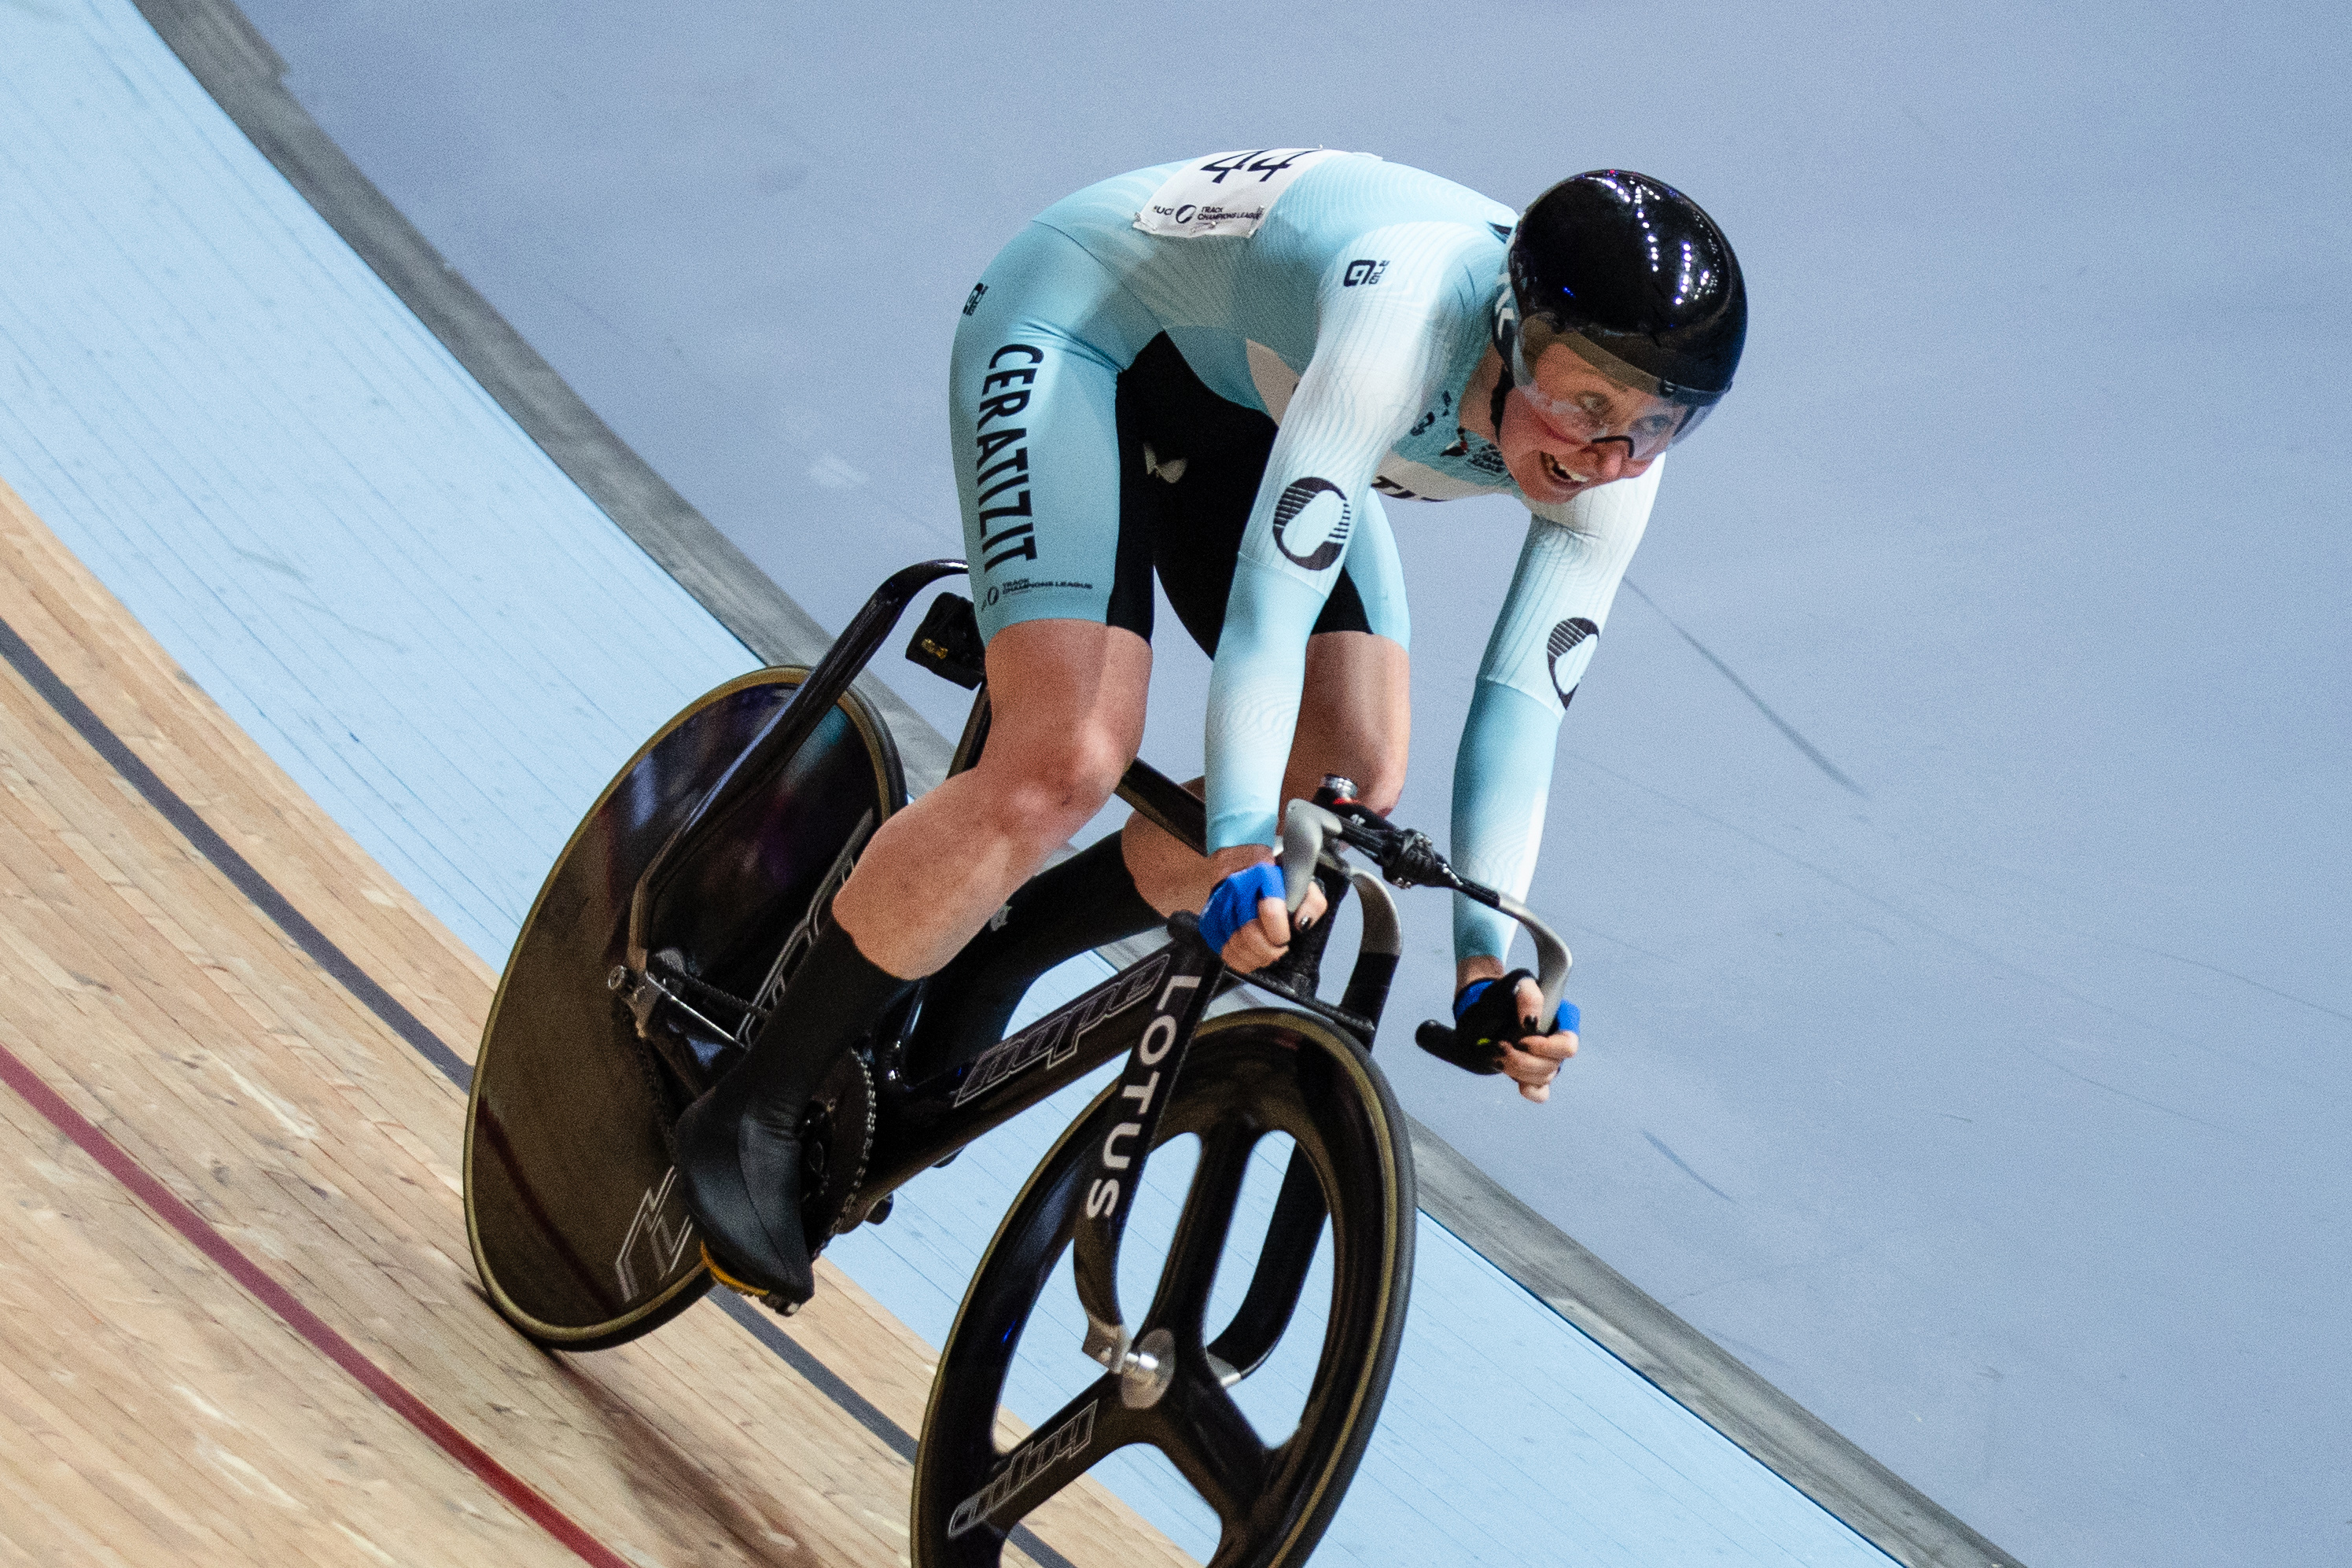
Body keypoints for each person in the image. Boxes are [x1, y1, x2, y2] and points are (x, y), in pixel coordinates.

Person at [675, 152, 1747, 1307]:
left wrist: (1490, 968)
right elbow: (1268, 617)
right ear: (1509, 327)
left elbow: (1522, 708)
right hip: (1082, 332)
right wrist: (1238, 848)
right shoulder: (1404, 316)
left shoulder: (1620, 468)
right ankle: (751, 1105)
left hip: (1250, 395)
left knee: (1349, 778)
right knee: (1066, 757)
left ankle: (995, 949)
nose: (1607, 453)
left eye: (1655, 425)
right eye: (1584, 400)